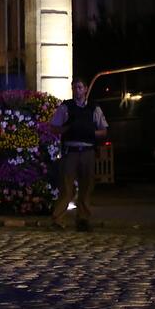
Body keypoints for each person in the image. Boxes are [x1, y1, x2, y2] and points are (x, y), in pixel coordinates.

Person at [49, 77, 108, 232]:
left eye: (80, 87)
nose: (77, 90)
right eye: (74, 87)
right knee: (66, 187)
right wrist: (68, 128)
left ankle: (83, 219)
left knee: (86, 187)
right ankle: (58, 219)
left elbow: (104, 130)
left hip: (87, 151)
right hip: (71, 152)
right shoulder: (65, 107)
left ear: (86, 89)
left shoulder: (94, 108)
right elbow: (54, 128)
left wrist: (89, 132)